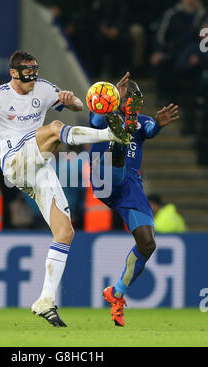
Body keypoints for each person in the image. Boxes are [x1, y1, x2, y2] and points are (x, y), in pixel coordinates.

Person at [0, 50, 131, 327]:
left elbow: (79, 106)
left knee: (65, 232)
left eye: (34, 72)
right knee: (55, 128)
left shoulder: (43, 89)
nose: (32, 79)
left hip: (39, 168)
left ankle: (45, 300)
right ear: (13, 73)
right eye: (27, 74)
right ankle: (112, 135)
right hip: (15, 161)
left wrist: (73, 100)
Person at [88, 80, 180, 327]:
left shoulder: (143, 122)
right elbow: (96, 120)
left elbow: (150, 130)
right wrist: (110, 100)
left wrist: (158, 125)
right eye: (128, 99)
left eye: (134, 100)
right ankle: (119, 138)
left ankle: (116, 293)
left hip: (130, 186)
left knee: (147, 243)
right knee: (117, 147)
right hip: (104, 174)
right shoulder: (99, 114)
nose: (130, 102)